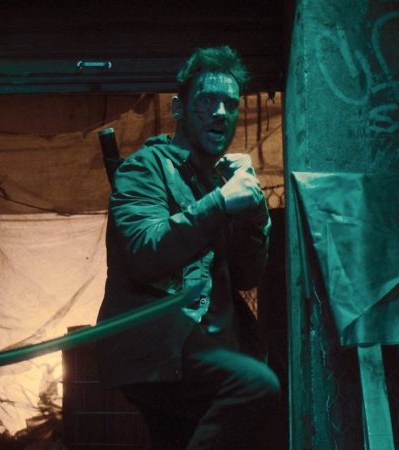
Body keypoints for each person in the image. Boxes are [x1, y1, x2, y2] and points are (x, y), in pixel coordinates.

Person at [96, 46, 280, 449]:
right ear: (179, 109)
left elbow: (247, 275)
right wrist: (220, 203)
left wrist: (254, 210)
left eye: (230, 103)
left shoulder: (221, 180)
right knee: (255, 385)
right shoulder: (146, 168)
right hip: (164, 348)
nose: (220, 112)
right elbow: (144, 253)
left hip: (210, 346)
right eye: (207, 101)